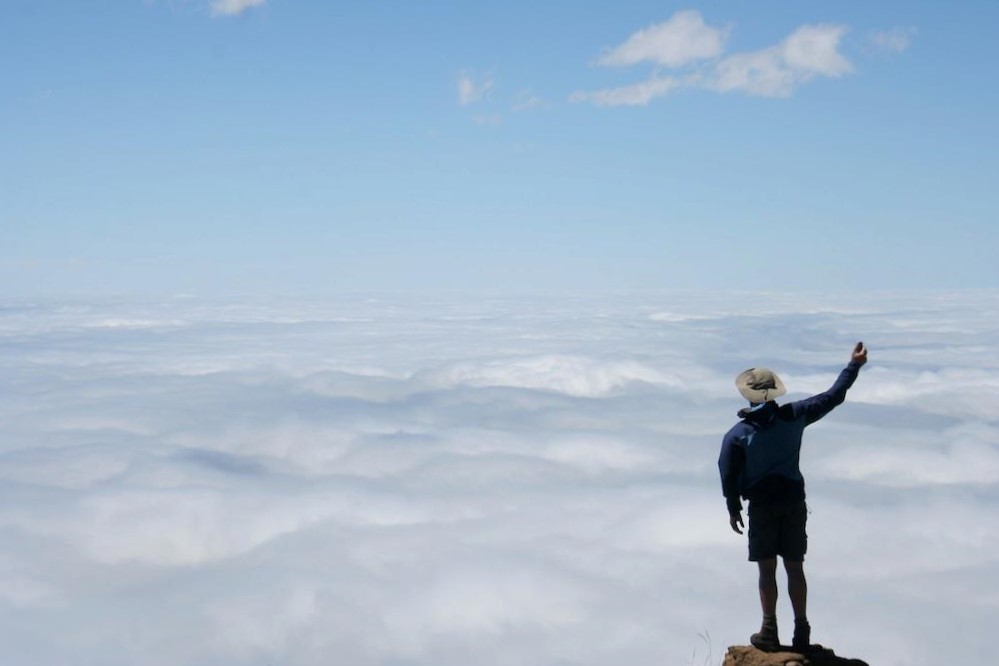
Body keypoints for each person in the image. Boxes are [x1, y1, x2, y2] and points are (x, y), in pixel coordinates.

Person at [718, 342, 868, 653]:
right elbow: (833, 396)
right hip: (793, 502)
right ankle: (802, 630)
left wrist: (733, 508)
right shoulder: (795, 415)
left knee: (766, 569)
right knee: (795, 566)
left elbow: (728, 474)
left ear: (747, 394)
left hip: (761, 506)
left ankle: (769, 630)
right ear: (775, 392)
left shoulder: (737, 435)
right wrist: (853, 365)